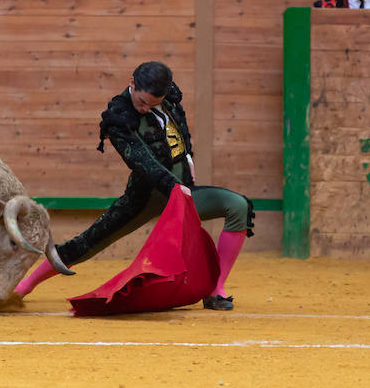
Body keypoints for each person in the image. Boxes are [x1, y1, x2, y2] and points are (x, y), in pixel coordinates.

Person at [14, 61, 253, 310]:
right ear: (132, 84)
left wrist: (187, 171)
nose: (145, 108)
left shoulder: (169, 96)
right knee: (91, 240)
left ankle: (215, 290)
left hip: (182, 192)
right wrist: (175, 186)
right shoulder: (119, 116)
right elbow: (141, 161)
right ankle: (25, 286)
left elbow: (180, 137)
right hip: (146, 195)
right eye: (141, 102)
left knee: (238, 207)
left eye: (152, 104)